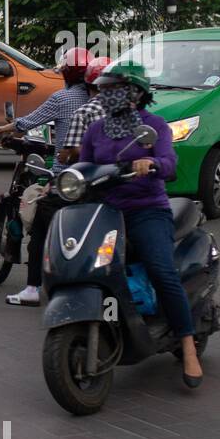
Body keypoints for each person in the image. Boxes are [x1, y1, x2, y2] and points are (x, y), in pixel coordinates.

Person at [80, 60, 203, 388]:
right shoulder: (96, 130)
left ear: (134, 93)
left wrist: (152, 163)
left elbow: (170, 164)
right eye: (101, 90)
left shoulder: (155, 126)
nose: (104, 95)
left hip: (147, 210)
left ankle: (188, 346)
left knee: (162, 271)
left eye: (112, 90)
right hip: (105, 212)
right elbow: (85, 167)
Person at [0, 47, 94, 306]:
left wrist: (1, 129)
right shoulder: (103, 104)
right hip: (98, 180)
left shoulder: (62, 99)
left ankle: (32, 288)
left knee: (39, 231)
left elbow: (28, 122)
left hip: (66, 180)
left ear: (66, 73)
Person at [58, 56, 111, 167]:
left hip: (90, 173)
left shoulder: (83, 112)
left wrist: (66, 155)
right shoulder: (130, 108)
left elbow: (74, 152)